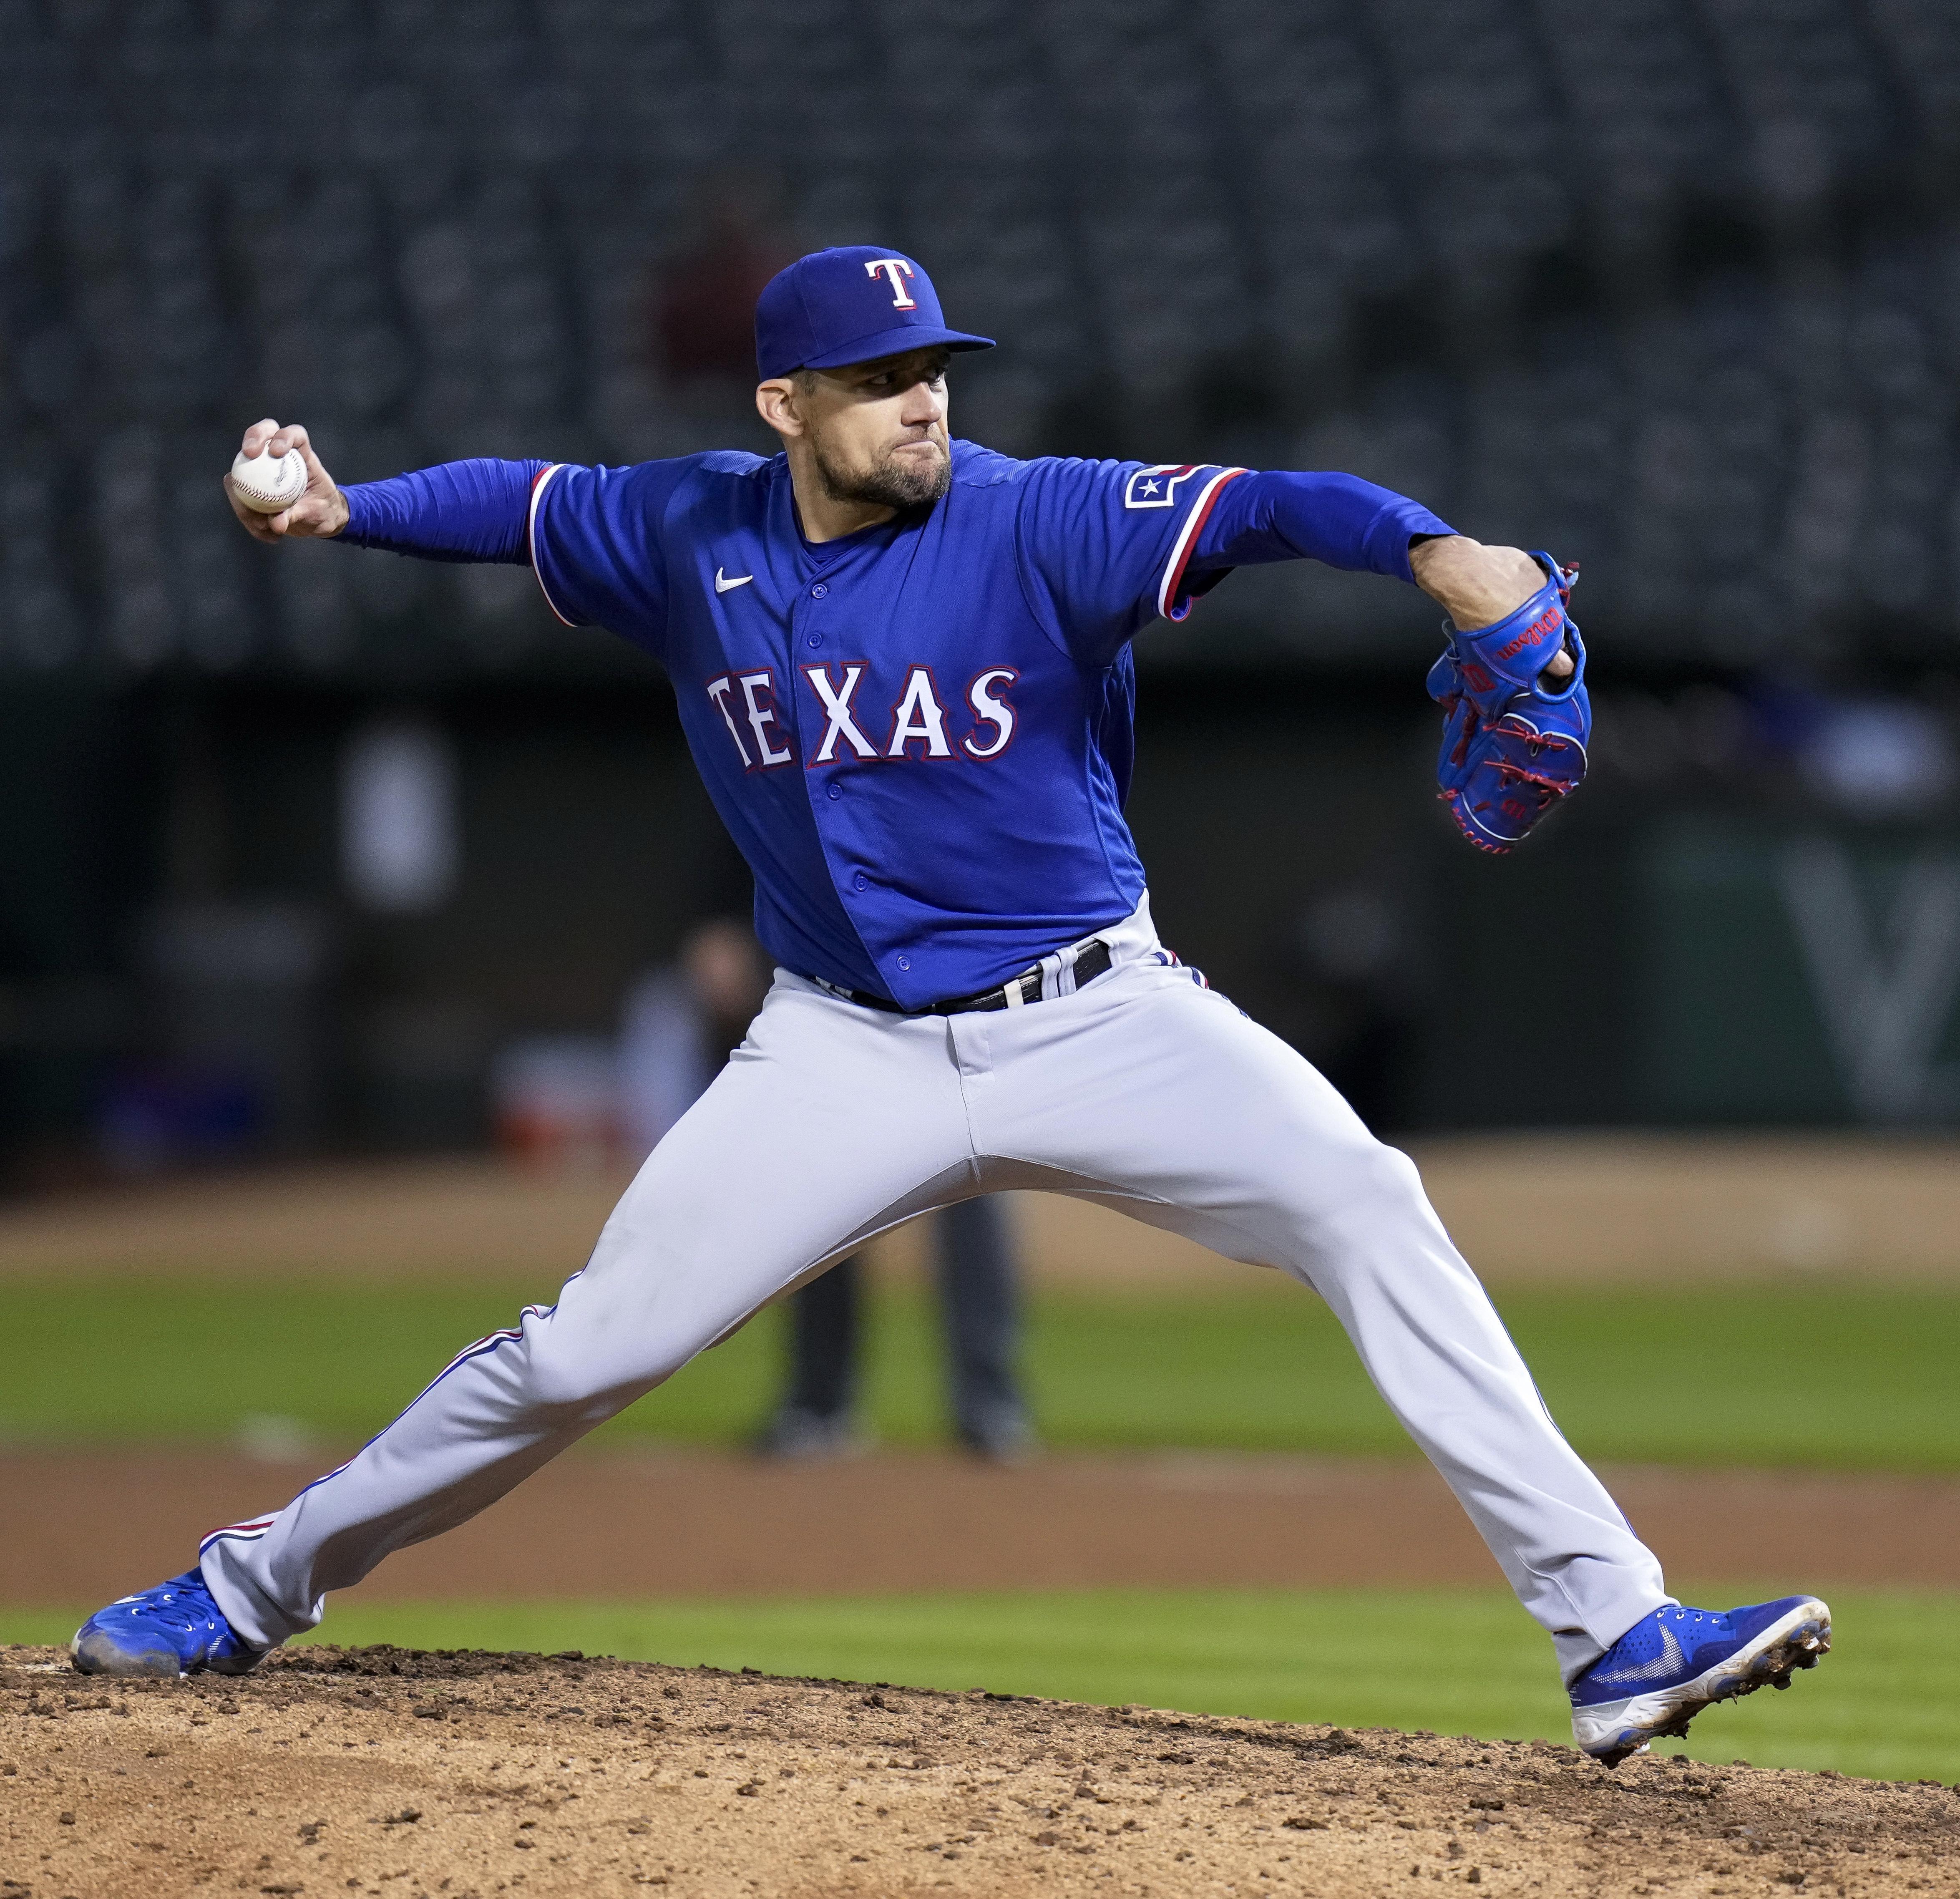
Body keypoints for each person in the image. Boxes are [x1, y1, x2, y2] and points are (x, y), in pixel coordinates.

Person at [73, 246, 1830, 1763]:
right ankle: (244, 1585)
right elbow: (518, 501)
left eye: (932, 370)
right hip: (839, 1048)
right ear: (784, 406)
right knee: (588, 1348)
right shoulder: (690, 523)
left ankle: (1617, 1638)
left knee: (1368, 1200)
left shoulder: (1032, 512)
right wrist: (338, 506)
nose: (922, 403)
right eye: (878, 380)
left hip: (1100, 1017)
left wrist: (1441, 551)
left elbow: (1271, 505)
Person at [625, 920, 1036, 1462]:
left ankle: (990, 1406)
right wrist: (721, 930)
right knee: (818, 1197)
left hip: (953, 997)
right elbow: (734, 867)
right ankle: (820, 1404)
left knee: (973, 1191)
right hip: (837, 1000)